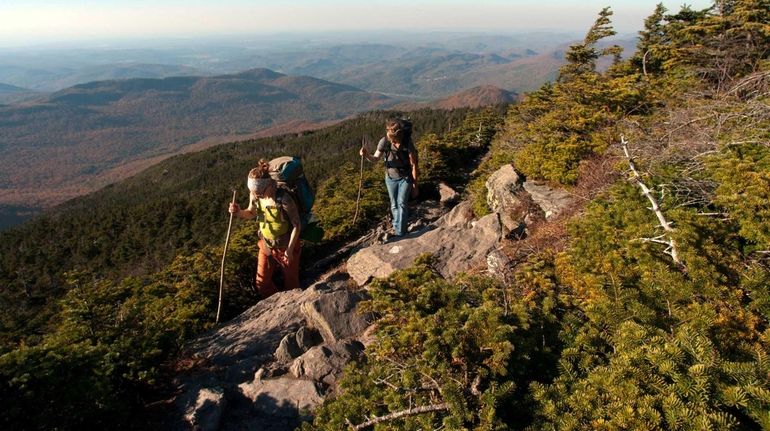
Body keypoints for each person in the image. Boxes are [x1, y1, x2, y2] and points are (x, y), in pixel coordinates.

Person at [229, 160, 302, 299]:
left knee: (292, 284)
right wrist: (238, 212)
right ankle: (281, 305)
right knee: (262, 283)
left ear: (269, 185)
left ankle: (293, 306)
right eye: (254, 192)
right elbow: (251, 213)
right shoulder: (256, 195)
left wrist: (290, 250)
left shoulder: (284, 199)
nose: (257, 195)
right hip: (266, 245)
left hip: (286, 246)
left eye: (260, 192)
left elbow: (297, 225)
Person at [360, 117, 419, 239]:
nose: (392, 142)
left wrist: (415, 184)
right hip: (390, 177)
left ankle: (400, 233)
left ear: (400, 135)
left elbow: (414, 164)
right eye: (390, 139)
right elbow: (375, 159)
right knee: (394, 205)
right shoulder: (384, 141)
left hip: (405, 177)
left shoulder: (407, 142)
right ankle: (399, 229)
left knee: (401, 203)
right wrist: (366, 155)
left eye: (394, 140)